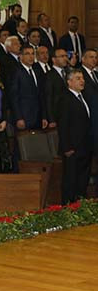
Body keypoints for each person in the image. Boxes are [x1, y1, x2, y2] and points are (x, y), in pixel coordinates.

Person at [58, 69, 91, 204]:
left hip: (85, 146)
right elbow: (63, 124)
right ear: (69, 82)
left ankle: (80, 206)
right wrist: (67, 146)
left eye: (82, 78)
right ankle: (68, 208)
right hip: (72, 148)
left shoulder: (83, 97)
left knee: (82, 180)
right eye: (78, 78)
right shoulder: (65, 99)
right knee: (70, 180)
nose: (82, 81)